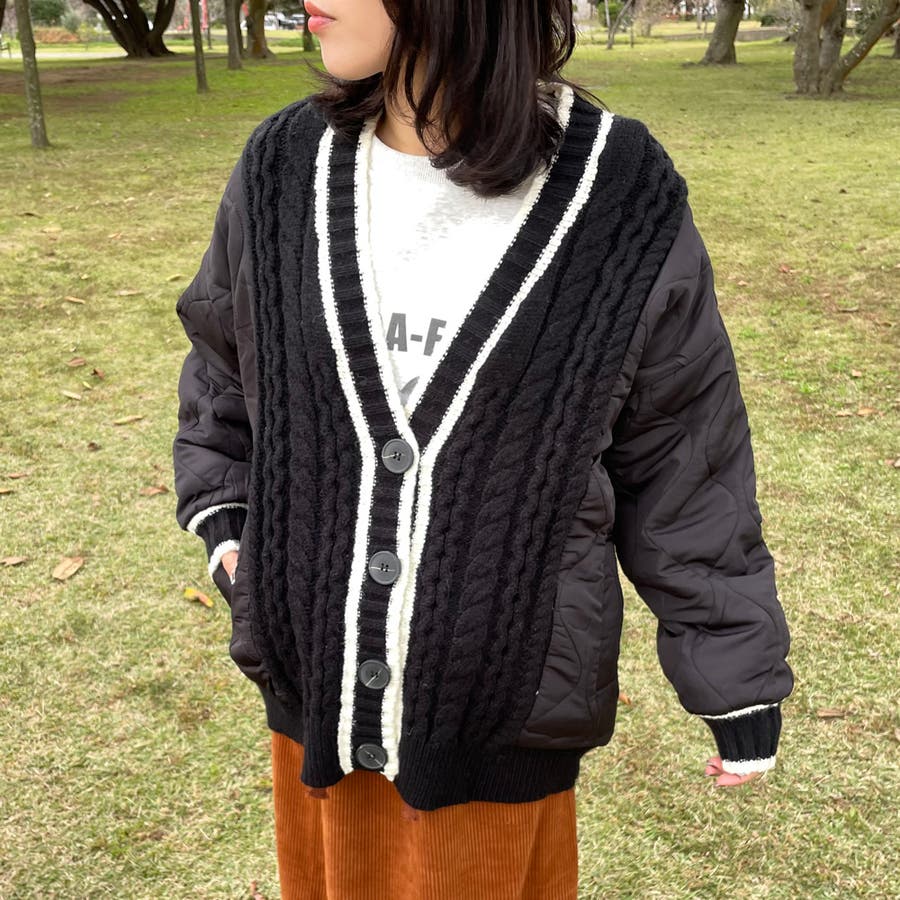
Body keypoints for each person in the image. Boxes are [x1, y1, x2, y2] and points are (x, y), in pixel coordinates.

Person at [172, 1, 793, 896]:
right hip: (314, 713)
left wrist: (734, 671)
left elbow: (682, 453)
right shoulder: (282, 165)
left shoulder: (618, 190)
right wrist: (227, 518)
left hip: (499, 732)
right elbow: (224, 363)